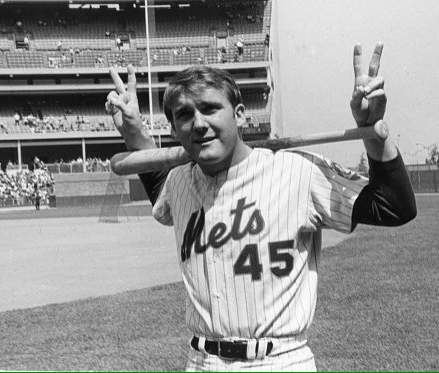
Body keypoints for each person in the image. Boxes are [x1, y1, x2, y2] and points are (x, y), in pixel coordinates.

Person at [105, 43, 416, 371]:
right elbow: (161, 191)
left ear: (239, 115)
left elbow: (393, 206)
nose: (198, 123)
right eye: (185, 115)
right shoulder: (179, 182)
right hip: (201, 362)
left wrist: (374, 133)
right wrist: (135, 130)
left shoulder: (298, 172)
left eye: (210, 109)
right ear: (173, 129)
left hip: (277, 360)